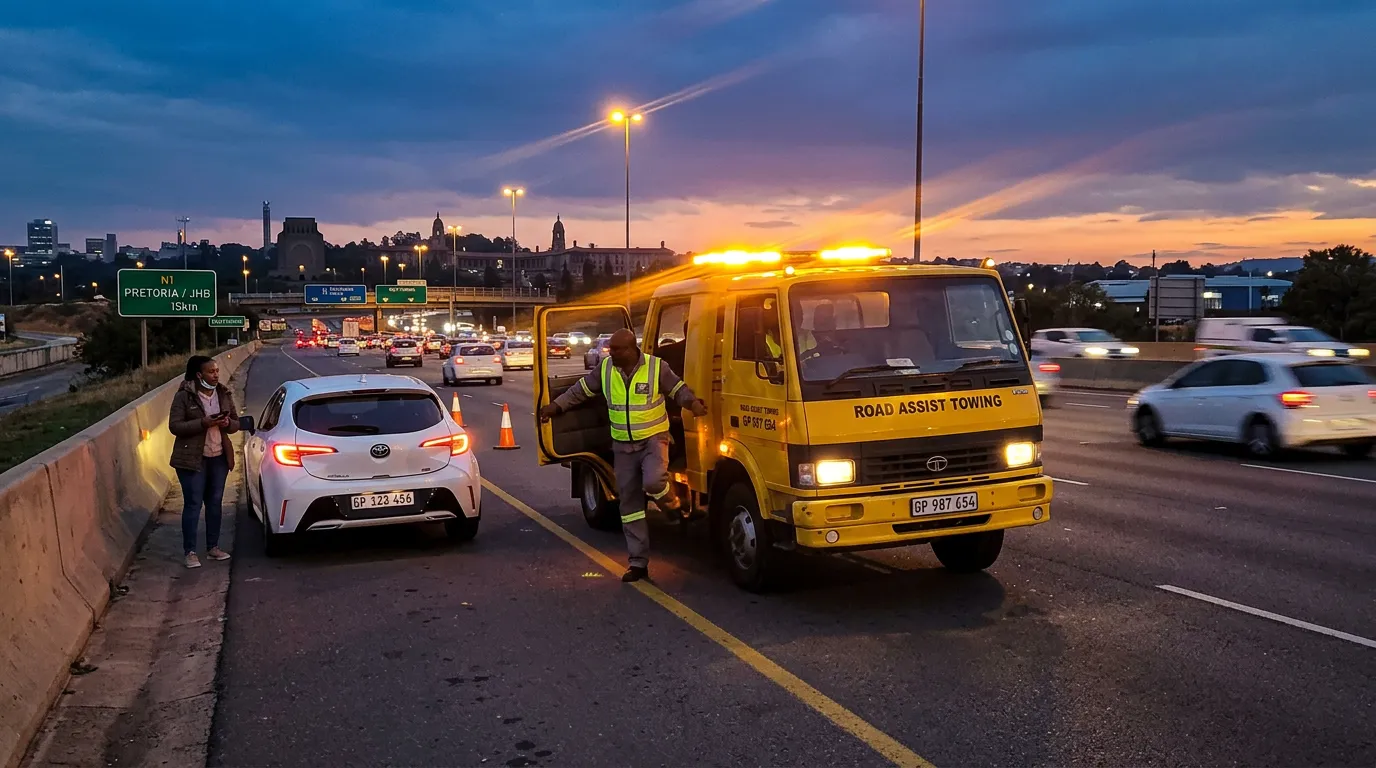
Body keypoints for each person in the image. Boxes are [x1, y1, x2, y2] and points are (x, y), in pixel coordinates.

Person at [539, 329, 707, 583]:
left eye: (617, 349)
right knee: (629, 508)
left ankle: (673, 505)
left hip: (653, 440)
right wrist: (556, 406)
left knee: (654, 482)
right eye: (610, 348)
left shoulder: (655, 367)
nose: (611, 353)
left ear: (631, 349)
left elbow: (678, 389)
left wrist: (692, 403)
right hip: (622, 446)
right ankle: (638, 563)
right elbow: (580, 391)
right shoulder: (606, 369)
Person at [168, 355, 239, 569]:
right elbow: (175, 426)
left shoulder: (223, 394)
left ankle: (213, 547)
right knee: (193, 504)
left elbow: (235, 423)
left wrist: (227, 423)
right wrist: (203, 423)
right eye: (211, 371)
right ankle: (190, 552)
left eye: (217, 371)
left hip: (219, 458)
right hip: (192, 459)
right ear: (199, 375)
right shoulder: (184, 397)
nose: (216, 375)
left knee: (215, 503)